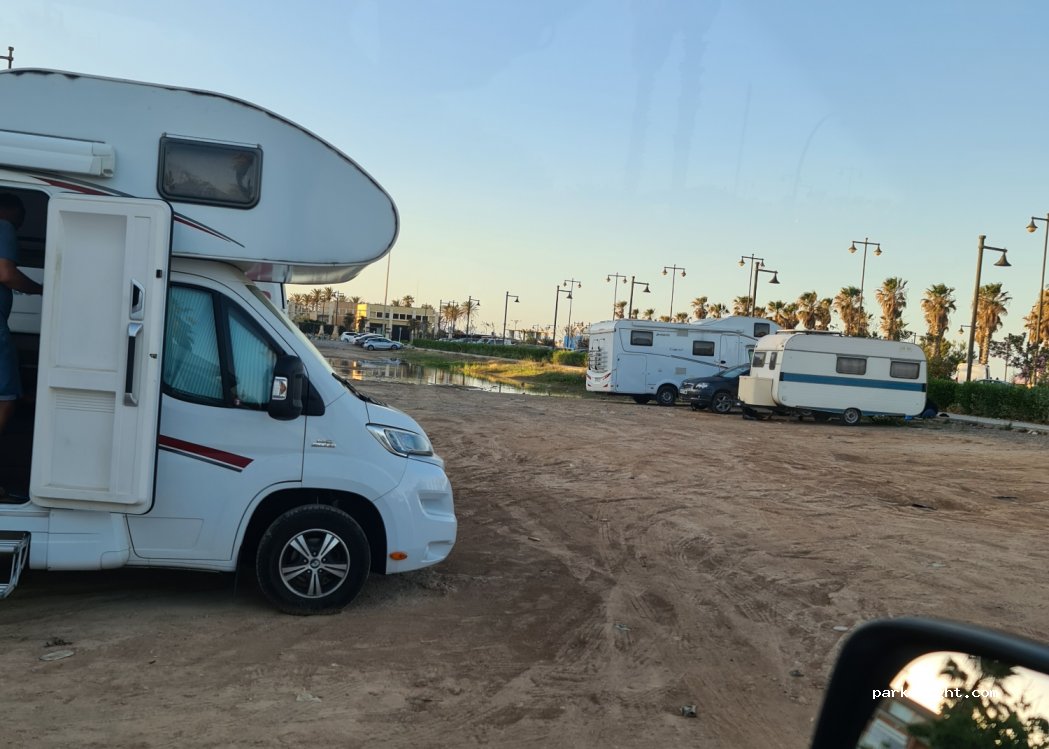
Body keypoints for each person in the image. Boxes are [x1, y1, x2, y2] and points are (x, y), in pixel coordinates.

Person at [0, 193, 43, 437]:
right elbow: (6, 274)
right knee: (5, 400)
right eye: (21, 216)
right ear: (10, 210)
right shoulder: (3, 226)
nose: (21, 224)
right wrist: (42, 290)